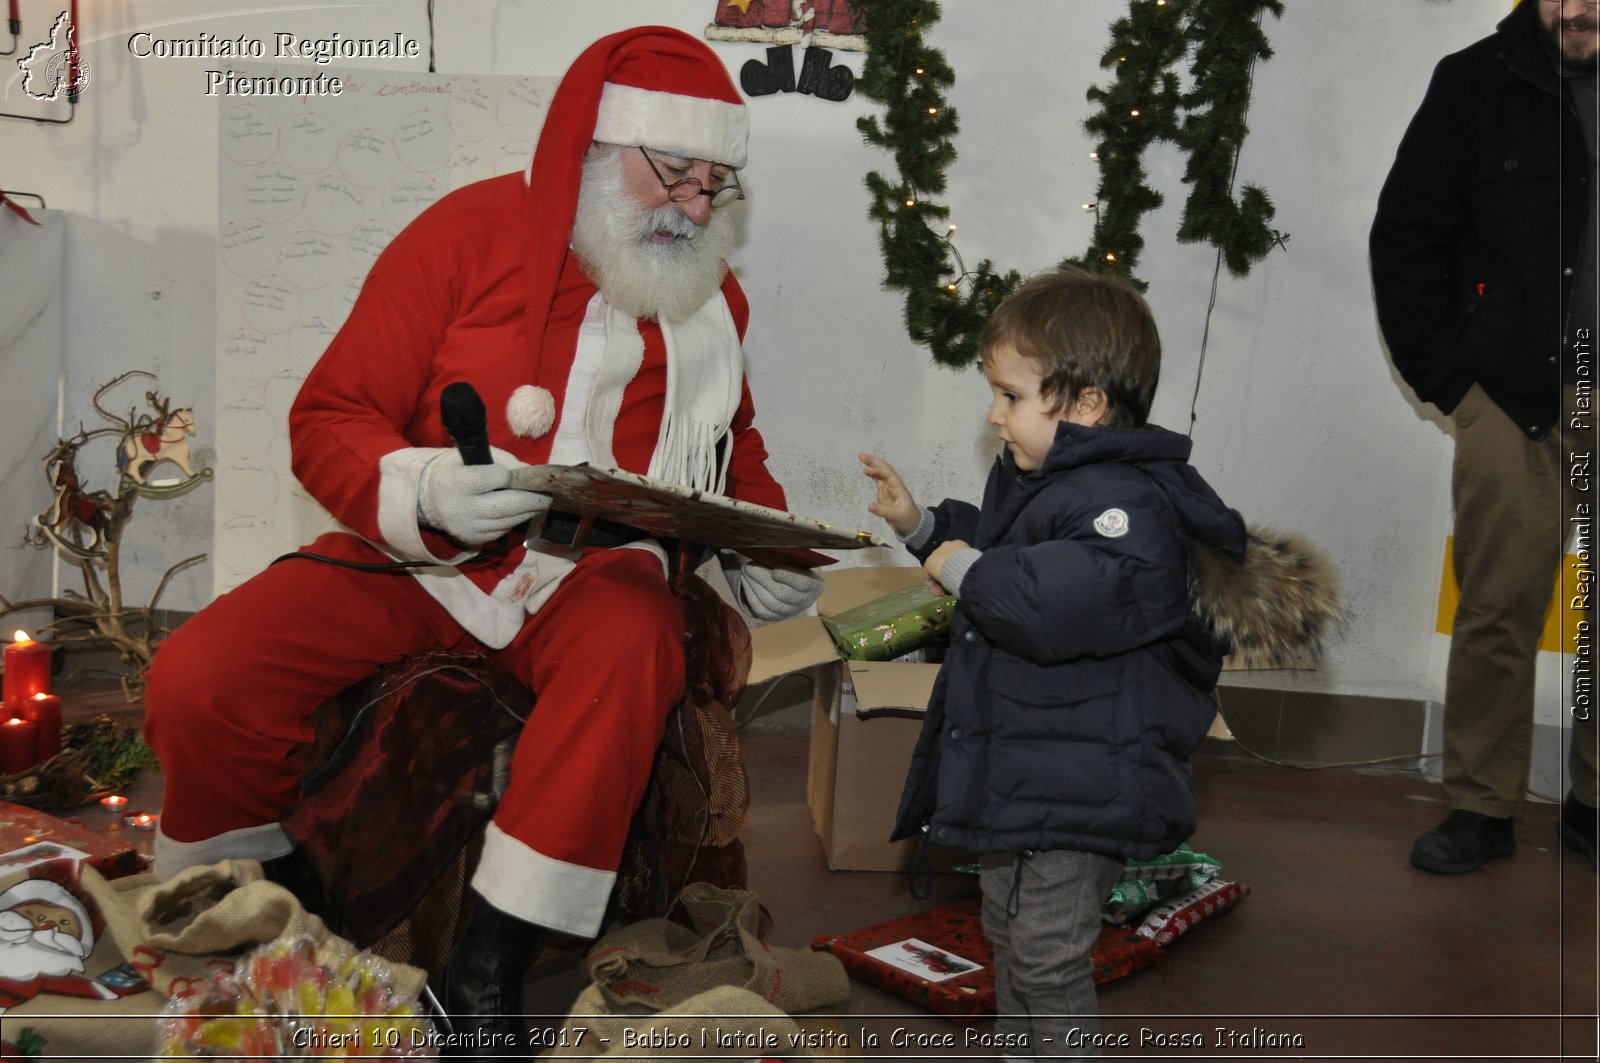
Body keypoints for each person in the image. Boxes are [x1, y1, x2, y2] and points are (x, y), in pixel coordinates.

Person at [142, 24, 825, 1039]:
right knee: (203, 673)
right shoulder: (462, 235)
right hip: (422, 556)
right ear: (597, 148)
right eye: (672, 175)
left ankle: (485, 965)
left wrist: (773, 547)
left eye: (712, 186)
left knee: (635, 634)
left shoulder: (707, 293)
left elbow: (733, 445)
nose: (691, 208)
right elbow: (330, 415)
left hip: (591, 572)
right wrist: (421, 491)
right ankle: (265, 908)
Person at [860, 268, 1247, 1060]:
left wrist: (954, 561)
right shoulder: (1053, 480)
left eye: (1009, 395)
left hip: (1090, 779)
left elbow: (1041, 599)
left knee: (1046, 950)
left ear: (1086, 404)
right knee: (1005, 929)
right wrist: (925, 524)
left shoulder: (1128, 503)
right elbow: (1005, 552)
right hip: (1030, 762)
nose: (995, 415)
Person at [1370, 0, 1598, 874]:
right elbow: (1407, 238)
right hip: (1510, 399)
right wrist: (1452, 383)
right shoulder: (1471, 83)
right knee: (1500, 604)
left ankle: (1593, 805)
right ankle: (1479, 805)